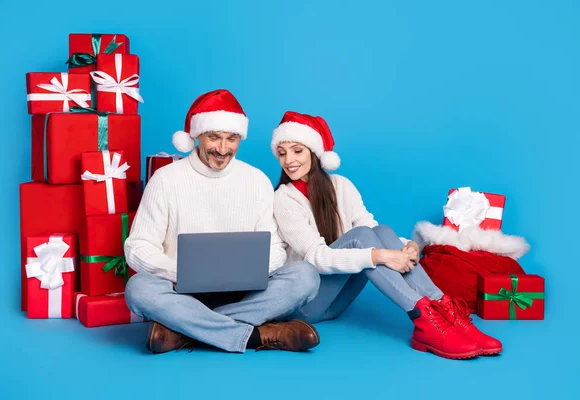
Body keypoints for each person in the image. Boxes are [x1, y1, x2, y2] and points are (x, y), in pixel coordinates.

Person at [270, 111, 502, 360]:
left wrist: (407, 246)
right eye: (282, 153)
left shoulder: (341, 185)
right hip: (307, 307)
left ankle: (444, 308)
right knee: (362, 236)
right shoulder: (284, 197)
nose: (288, 160)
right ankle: (423, 318)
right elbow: (316, 257)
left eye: (297, 150)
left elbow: (371, 229)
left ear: (314, 153)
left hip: (337, 303)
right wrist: (380, 256)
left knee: (380, 231)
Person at [123, 91, 321, 354]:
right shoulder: (166, 179)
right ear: (197, 136)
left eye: (232, 139)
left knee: (305, 276)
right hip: (181, 292)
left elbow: (275, 248)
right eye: (214, 137)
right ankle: (258, 335)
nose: (223, 149)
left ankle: (185, 330)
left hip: (245, 292)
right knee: (138, 289)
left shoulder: (257, 180)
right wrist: (183, 273)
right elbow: (137, 247)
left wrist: (246, 272)